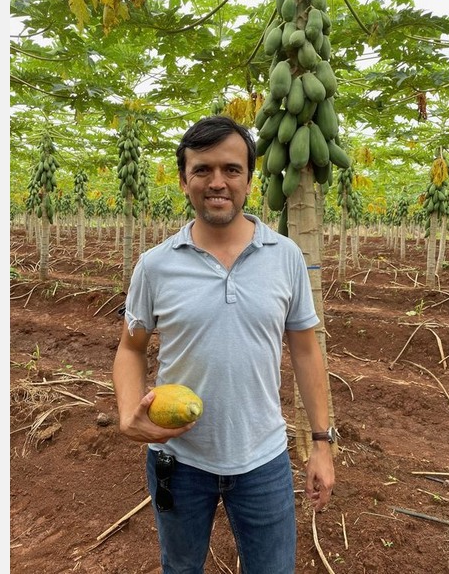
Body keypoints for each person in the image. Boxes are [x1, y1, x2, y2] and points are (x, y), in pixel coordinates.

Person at [113, 115, 336, 573]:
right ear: (184, 181)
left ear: (249, 181)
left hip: (264, 459)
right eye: (203, 170)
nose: (218, 182)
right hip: (177, 459)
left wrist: (321, 442)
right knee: (181, 568)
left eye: (232, 169)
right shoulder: (155, 266)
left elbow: (306, 350)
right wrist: (128, 412)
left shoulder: (286, 257)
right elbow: (131, 348)